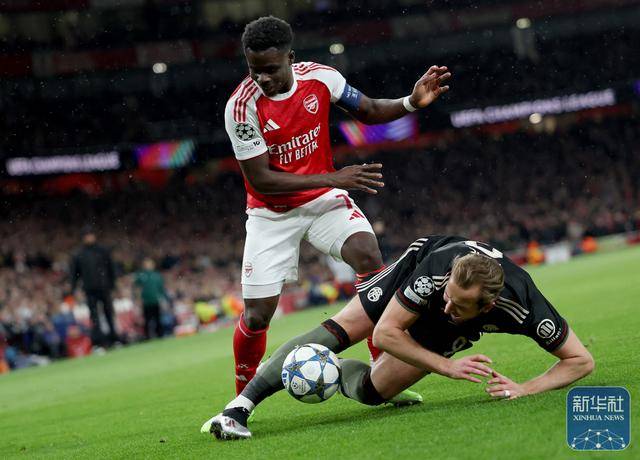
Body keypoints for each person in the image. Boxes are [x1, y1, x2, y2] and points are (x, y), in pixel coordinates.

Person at [224, 15, 451, 396]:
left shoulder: (320, 78)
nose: (262, 78)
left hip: (322, 200)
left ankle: (382, 373)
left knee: (368, 255)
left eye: (271, 69)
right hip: (271, 213)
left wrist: (411, 102)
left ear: (290, 58)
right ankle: (243, 396)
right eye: (254, 70)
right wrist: (332, 178)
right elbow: (262, 180)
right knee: (257, 315)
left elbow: (369, 110)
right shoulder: (241, 108)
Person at [203, 235, 594, 440]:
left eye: (459, 306)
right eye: (448, 298)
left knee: (373, 392)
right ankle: (238, 408)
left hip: (457, 321)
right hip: (417, 267)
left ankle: (329, 368)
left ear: (488, 307)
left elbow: (580, 360)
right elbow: (386, 333)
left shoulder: (524, 306)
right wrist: (447, 367)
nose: (447, 307)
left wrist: (525, 388)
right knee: (342, 329)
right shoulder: (438, 273)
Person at [69, 228, 119, 348]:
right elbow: (75, 274)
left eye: (90, 235)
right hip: (89, 289)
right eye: (87, 236)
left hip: (104, 287)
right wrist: (73, 288)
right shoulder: (79, 254)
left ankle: (114, 339)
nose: (89, 238)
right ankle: (99, 342)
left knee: (109, 313)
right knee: (94, 316)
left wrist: (113, 285)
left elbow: (111, 268)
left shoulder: (103, 250)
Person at [134, 258, 170, 340]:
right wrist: (138, 299)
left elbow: (161, 288)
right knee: (147, 319)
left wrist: (163, 299)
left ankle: (160, 334)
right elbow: (137, 288)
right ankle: (147, 336)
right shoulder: (141, 275)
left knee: (158, 318)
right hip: (146, 301)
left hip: (156, 300)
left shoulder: (157, 275)